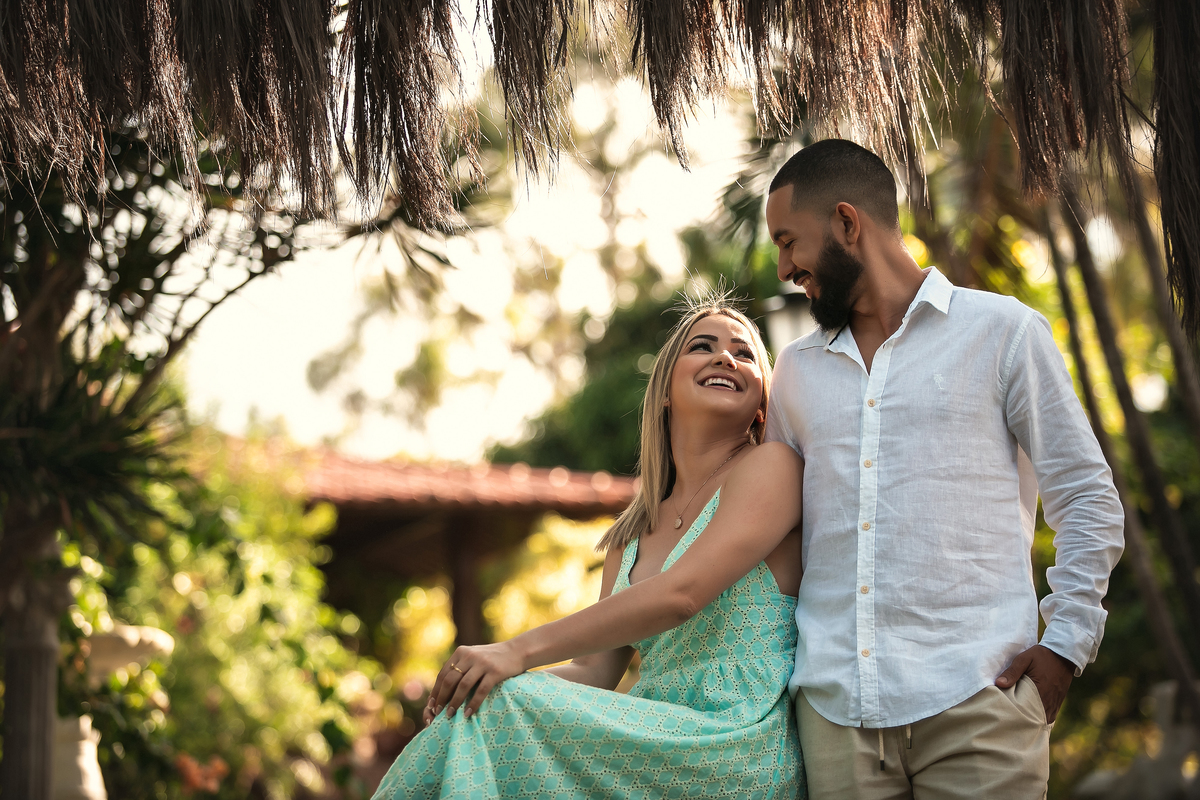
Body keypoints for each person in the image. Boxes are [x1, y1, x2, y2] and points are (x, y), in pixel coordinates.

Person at [763, 138, 1125, 798]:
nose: (785, 266)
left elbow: (1085, 494)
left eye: (791, 242)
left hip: (978, 706)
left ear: (847, 223)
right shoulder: (794, 370)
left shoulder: (1004, 332)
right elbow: (777, 534)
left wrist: (1067, 647)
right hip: (835, 718)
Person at [371, 297, 807, 800]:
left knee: (498, 706)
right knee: (479, 707)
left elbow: (681, 593)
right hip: (649, 735)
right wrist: (494, 682)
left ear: (761, 403)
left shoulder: (771, 466)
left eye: (745, 353)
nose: (725, 358)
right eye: (702, 346)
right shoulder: (632, 533)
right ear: (665, 389)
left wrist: (517, 651)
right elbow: (597, 669)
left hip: (737, 739)